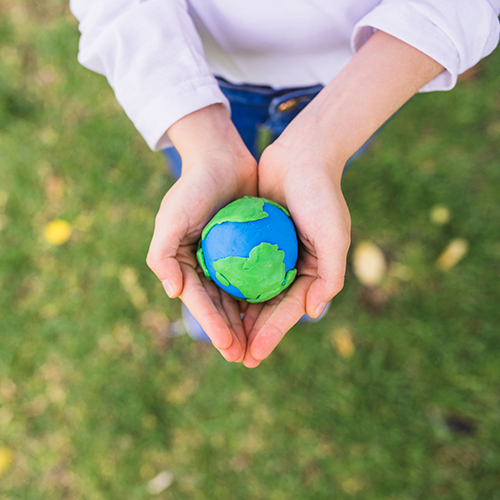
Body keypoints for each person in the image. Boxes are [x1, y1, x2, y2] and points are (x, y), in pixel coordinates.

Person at [70, 0, 500, 368]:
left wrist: (324, 145)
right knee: (197, 177)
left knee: (317, 181)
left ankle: (310, 240)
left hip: (359, 79)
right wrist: (201, 143)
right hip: (191, 68)